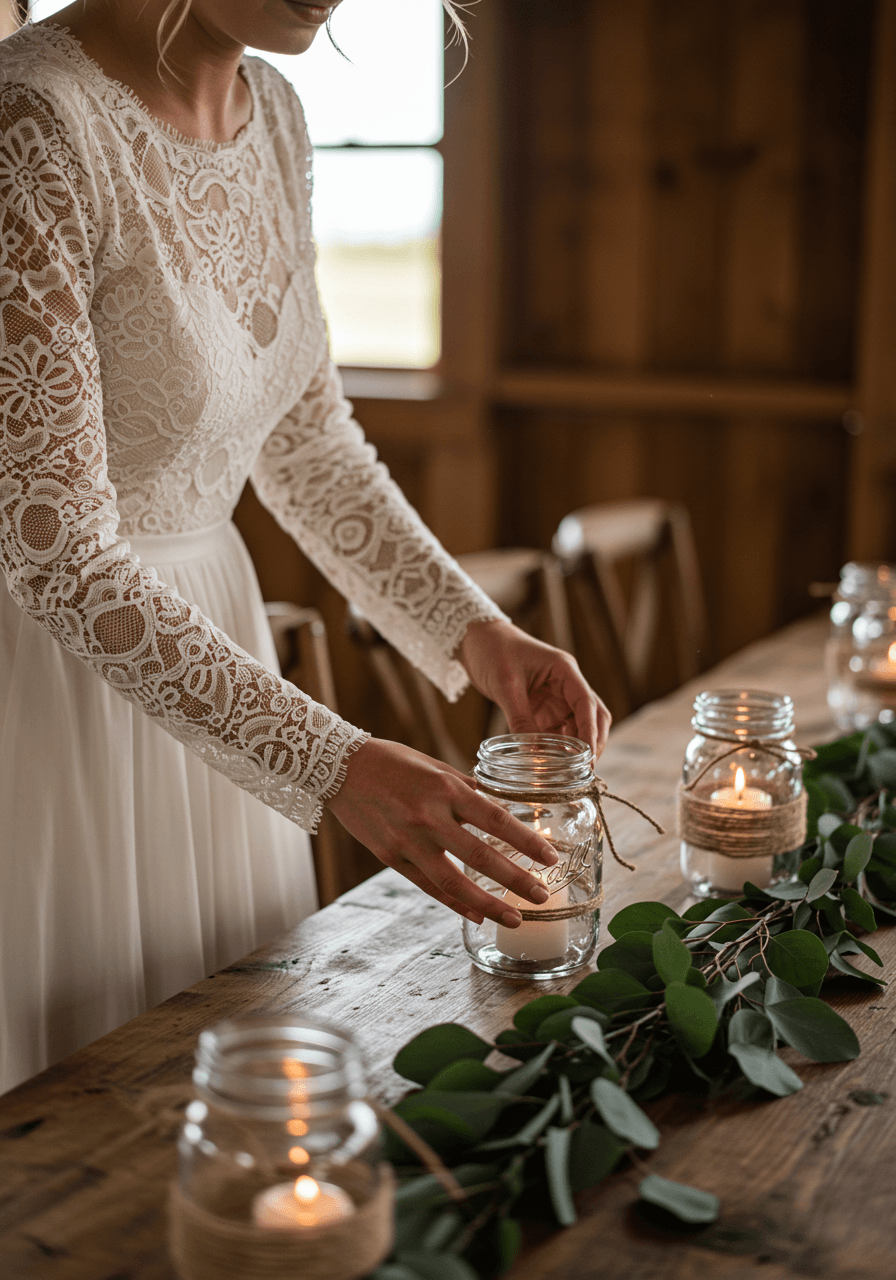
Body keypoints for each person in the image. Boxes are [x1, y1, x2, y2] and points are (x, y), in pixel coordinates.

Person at [0, 0, 610, 1094]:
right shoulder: (32, 123)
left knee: (227, 1079)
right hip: (50, 677)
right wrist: (330, 762)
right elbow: (55, 554)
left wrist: (474, 631)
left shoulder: (273, 114)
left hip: (212, 646)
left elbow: (305, 441)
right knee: (71, 1101)